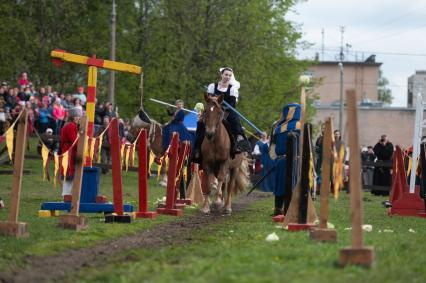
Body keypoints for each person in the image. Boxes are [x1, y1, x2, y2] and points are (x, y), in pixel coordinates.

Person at [60, 107, 82, 199]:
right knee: (69, 173)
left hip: (69, 150)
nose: (78, 118)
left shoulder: (71, 125)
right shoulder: (71, 126)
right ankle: (66, 195)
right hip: (69, 150)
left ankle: (69, 195)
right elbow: (74, 141)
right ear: (72, 117)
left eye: (78, 116)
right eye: (76, 116)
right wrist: (81, 148)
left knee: (71, 174)